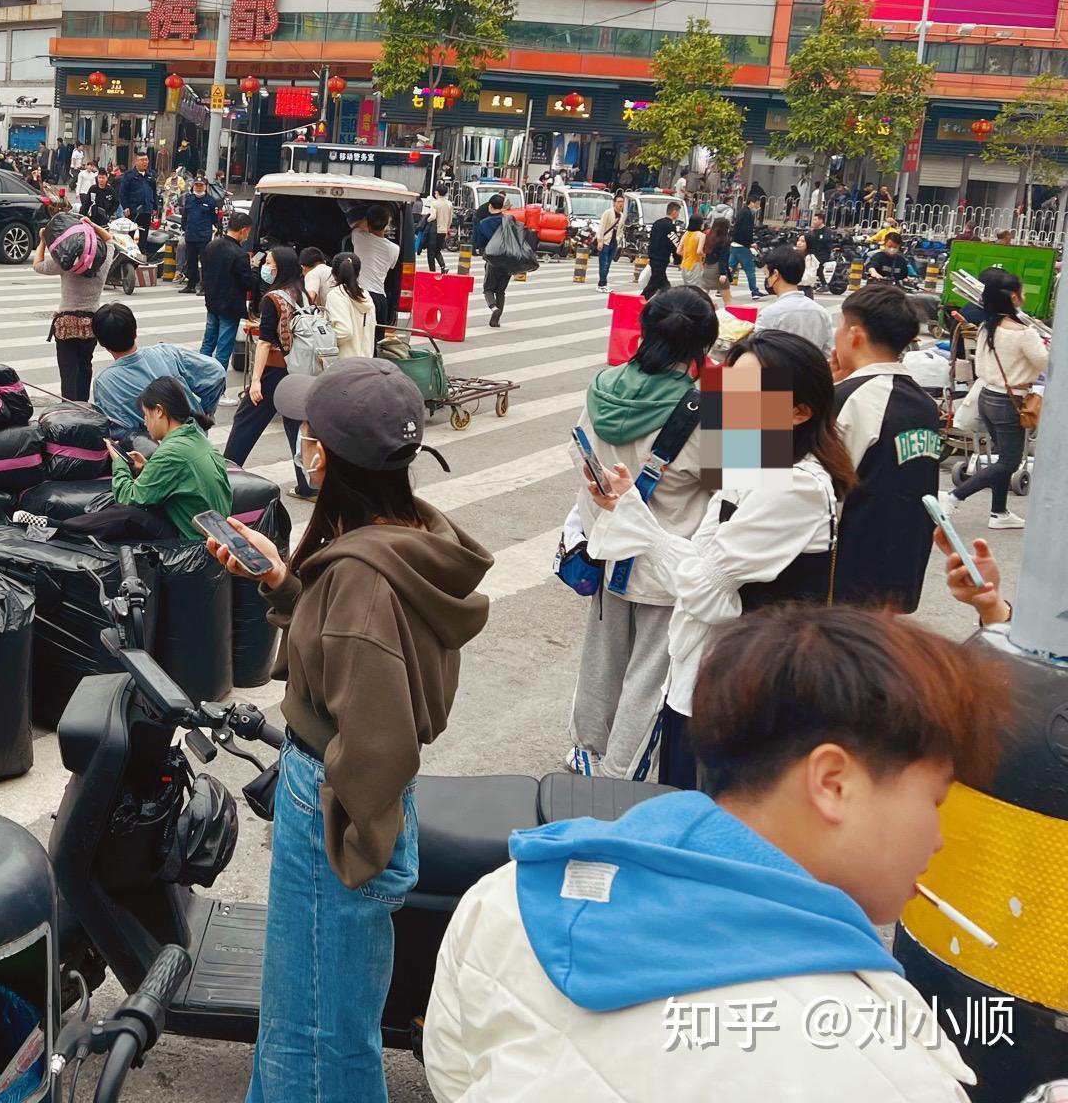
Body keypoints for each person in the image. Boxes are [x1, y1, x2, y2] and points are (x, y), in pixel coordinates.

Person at [425, 605, 996, 1103]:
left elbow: (455, 1070)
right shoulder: (883, 1069)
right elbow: (702, 572)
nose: (940, 837)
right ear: (832, 782)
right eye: (936, 798)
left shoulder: (508, 894)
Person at [206, 359, 491, 1103]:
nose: (299, 440)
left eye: (307, 433)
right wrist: (280, 580)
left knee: (318, 1035)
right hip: (344, 789)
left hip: (332, 798)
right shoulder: (406, 536)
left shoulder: (359, 579)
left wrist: (353, 839)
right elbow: (356, 648)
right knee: (307, 1010)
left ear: (324, 456)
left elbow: (378, 738)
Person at [583, 330, 852, 786]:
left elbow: (703, 590)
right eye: (728, 387)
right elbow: (699, 567)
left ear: (799, 412)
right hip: (705, 680)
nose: (731, 404)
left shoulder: (795, 485)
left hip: (746, 693)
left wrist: (643, 530)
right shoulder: (753, 463)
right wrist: (631, 507)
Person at [568, 287, 717, 780]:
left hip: (608, 551)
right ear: (704, 344)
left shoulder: (603, 384)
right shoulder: (714, 408)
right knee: (650, 677)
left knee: (602, 662)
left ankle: (586, 751)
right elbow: (755, 483)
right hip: (667, 564)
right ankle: (619, 775)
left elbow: (580, 457)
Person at [829, 283, 942, 611]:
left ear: (854, 334)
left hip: (841, 578)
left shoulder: (847, 399)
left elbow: (756, 472)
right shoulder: (924, 403)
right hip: (900, 572)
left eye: (838, 326)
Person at [25, 376, 233, 542]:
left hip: (190, 540)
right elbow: (180, 482)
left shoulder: (172, 451)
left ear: (159, 411)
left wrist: (119, 464)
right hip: (207, 531)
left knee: (125, 513)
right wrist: (146, 467)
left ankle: (56, 527)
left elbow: (129, 497)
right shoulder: (198, 440)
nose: (145, 422)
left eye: (146, 414)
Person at [943, 265, 1046, 529]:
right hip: (1011, 401)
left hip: (987, 396)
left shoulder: (988, 326)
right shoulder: (1024, 333)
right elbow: (1047, 364)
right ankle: (954, 496)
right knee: (1010, 461)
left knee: (1003, 457)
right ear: (1013, 296)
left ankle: (999, 512)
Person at [225, 246, 316, 495]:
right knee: (296, 425)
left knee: (246, 421)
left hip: (274, 371)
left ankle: (224, 475)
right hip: (299, 370)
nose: (266, 265)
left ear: (280, 267)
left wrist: (255, 381)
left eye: (270, 262)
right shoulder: (304, 294)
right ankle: (309, 485)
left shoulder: (273, 298)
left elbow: (265, 342)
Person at [89, 302, 226, 441]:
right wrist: (204, 412)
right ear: (135, 332)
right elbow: (216, 372)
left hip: (153, 454)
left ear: (100, 342)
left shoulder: (104, 382)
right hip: (196, 438)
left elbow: (119, 432)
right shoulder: (166, 353)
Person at [32, 218, 108, 401]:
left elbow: (37, 265)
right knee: (85, 366)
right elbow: (110, 240)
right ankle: (82, 404)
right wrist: (93, 225)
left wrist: (43, 241)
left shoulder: (66, 264)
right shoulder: (103, 263)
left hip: (66, 325)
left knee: (68, 370)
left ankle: (68, 408)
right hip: (90, 324)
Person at [754, 245, 833, 355]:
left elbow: (757, 352)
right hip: (812, 370)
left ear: (776, 274)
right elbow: (827, 352)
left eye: (767, 274)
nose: (767, 279)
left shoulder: (770, 314)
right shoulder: (821, 313)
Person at [200, 211, 253, 367]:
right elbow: (247, 283)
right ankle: (216, 385)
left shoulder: (211, 245)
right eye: (248, 232)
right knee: (223, 351)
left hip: (212, 302)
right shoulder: (239, 254)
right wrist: (255, 270)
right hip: (230, 307)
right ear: (243, 230)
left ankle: (199, 376)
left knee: (208, 344)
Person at [349, 205, 401, 329]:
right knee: (376, 337)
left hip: (358, 293)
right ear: (387, 224)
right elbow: (392, 267)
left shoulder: (357, 236)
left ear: (368, 222)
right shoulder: (394, 249)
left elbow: (356, 225)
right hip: (379, 297)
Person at [471, 194, 514, 328]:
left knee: (488, 289)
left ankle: (494, 308)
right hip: (508, 259)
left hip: (493, 259)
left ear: (490, 205)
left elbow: (478, 242)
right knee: (501, 291)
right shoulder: (510, 219)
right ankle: (496, 320)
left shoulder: (485, 223)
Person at [323, 252, 376, 360]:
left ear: (333, 272)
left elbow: (344, 331)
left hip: (345, 364)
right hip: (366, 361)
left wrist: (323, 339)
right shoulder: (365, 295)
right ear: (358, 273)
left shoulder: (336, 295)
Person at [177, 173, 220, 294]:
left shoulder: (211, 201)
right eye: (196, 185)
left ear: (205, 186)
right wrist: (184, 229)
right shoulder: (189, 199)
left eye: (201, 185)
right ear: (193, 186)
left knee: (205, 263)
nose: (199, 187)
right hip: (191, 235)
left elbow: (214, 219)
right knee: (191, 262)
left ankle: (204, 287)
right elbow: (185, 216)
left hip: (203, 237)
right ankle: (191, 285)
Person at [642, 199, 679, 300]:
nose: (678, 215)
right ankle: (641, 299)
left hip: (653, 256)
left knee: (662, 283)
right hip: (662, 258)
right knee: (655, 282)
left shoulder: (657, 223)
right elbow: (674, 244)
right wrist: (678, 259)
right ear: (674, 212)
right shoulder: (670, 226)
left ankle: (667, 299)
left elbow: (651, 240)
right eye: (678, 212)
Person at [118, 150, 159, 238]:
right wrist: (125, 207)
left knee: (144, 234)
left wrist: (155, 207)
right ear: (136, 161)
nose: (145, 162)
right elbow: (122, 192)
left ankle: (143, 250)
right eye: (142, 160)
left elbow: (154, 192)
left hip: (147, 210)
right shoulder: (129, 175)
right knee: (130, 234)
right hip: (133, 210)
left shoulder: (150, 176)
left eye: (146, 160)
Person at [593, 191, 627, 291]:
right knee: (604, 263)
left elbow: (621, 230)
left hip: (614, 242)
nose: (621, 204)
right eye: (619, 201)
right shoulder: (607, 213)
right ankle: (602, 284)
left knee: (608, 263)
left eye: (622, 202)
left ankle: (602, 283)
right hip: (605, 241)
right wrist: (600, 241)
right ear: (614, 203)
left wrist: (619, 240)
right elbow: (602, 227)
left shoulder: (622, 215)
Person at [697, 215, 733, 306]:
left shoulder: (708, 237)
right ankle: (729, 317)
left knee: (703, 295)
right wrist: (723, 273)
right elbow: (723, 258)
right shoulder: (725, 239)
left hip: (707, 267)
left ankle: (697, 312)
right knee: (727, 300)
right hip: (718, 269)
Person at [422, 184, 452, 273]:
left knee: (431, 253)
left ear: (437, 192)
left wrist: (426, 220)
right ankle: (443, 266)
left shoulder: (434, 203)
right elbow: (450, 219)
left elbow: (433, 217)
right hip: (443, 230)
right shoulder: (449, 204)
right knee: (437, 250)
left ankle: (432, 271)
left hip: (434, 231)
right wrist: (447, 229)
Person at [678, 209, 705, 283]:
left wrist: (687, 254)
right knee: (694, 289)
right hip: (695, 264)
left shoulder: (686, 234)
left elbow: (678, 251)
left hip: (685, 264)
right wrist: (705, 255)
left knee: (687, 288)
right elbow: (699, 251)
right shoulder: (701, 235)